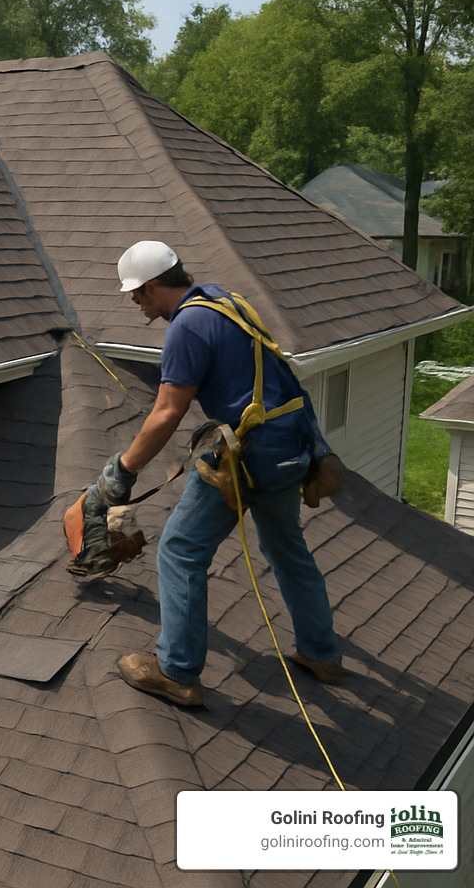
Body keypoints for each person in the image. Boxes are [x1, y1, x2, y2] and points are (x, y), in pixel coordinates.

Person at [97, 241, 342, 707]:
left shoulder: (187, 326)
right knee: (288, 550)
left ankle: (177, 672)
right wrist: (317, 450)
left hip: (249, 454)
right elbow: (283, 375)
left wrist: (123, 470)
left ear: (152, 287)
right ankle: (322, 654)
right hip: (289, 448)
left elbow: (168, 411)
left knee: (179, 552)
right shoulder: (226, 301)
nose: (133, 301)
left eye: (135, 293)